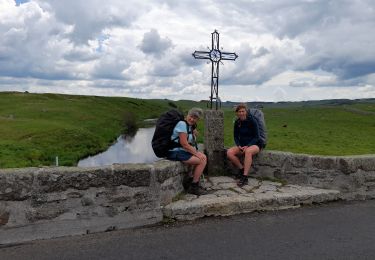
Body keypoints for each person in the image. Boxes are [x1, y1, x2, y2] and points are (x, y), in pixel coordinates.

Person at [166, 108, 207, 195]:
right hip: (174, 152)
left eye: (195, 118)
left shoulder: (189, 126)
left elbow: (188, 143)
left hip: (181, 151)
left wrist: (193, 132)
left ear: (198, 120)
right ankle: (194, 186)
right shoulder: (182, 124)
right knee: (201, 160)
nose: (192, 119)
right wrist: (196, 154)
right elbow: (184, 144)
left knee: (203, 157)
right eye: (191, 116)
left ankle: (191, 181)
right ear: (187, 115)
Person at [227, 103, 264, 187]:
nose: (241, 113)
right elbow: (235, 136)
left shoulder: (252, 120)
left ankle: (245, 177)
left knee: (248, 152)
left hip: (255, 144)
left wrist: (248, 145)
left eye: (243, 111)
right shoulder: (237, 122)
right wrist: (238, 145)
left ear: (246, 112)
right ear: (237, 113)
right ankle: (241, 169)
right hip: (242, 145)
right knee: (229, 152)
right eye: (239, 111)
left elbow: (257, 136)